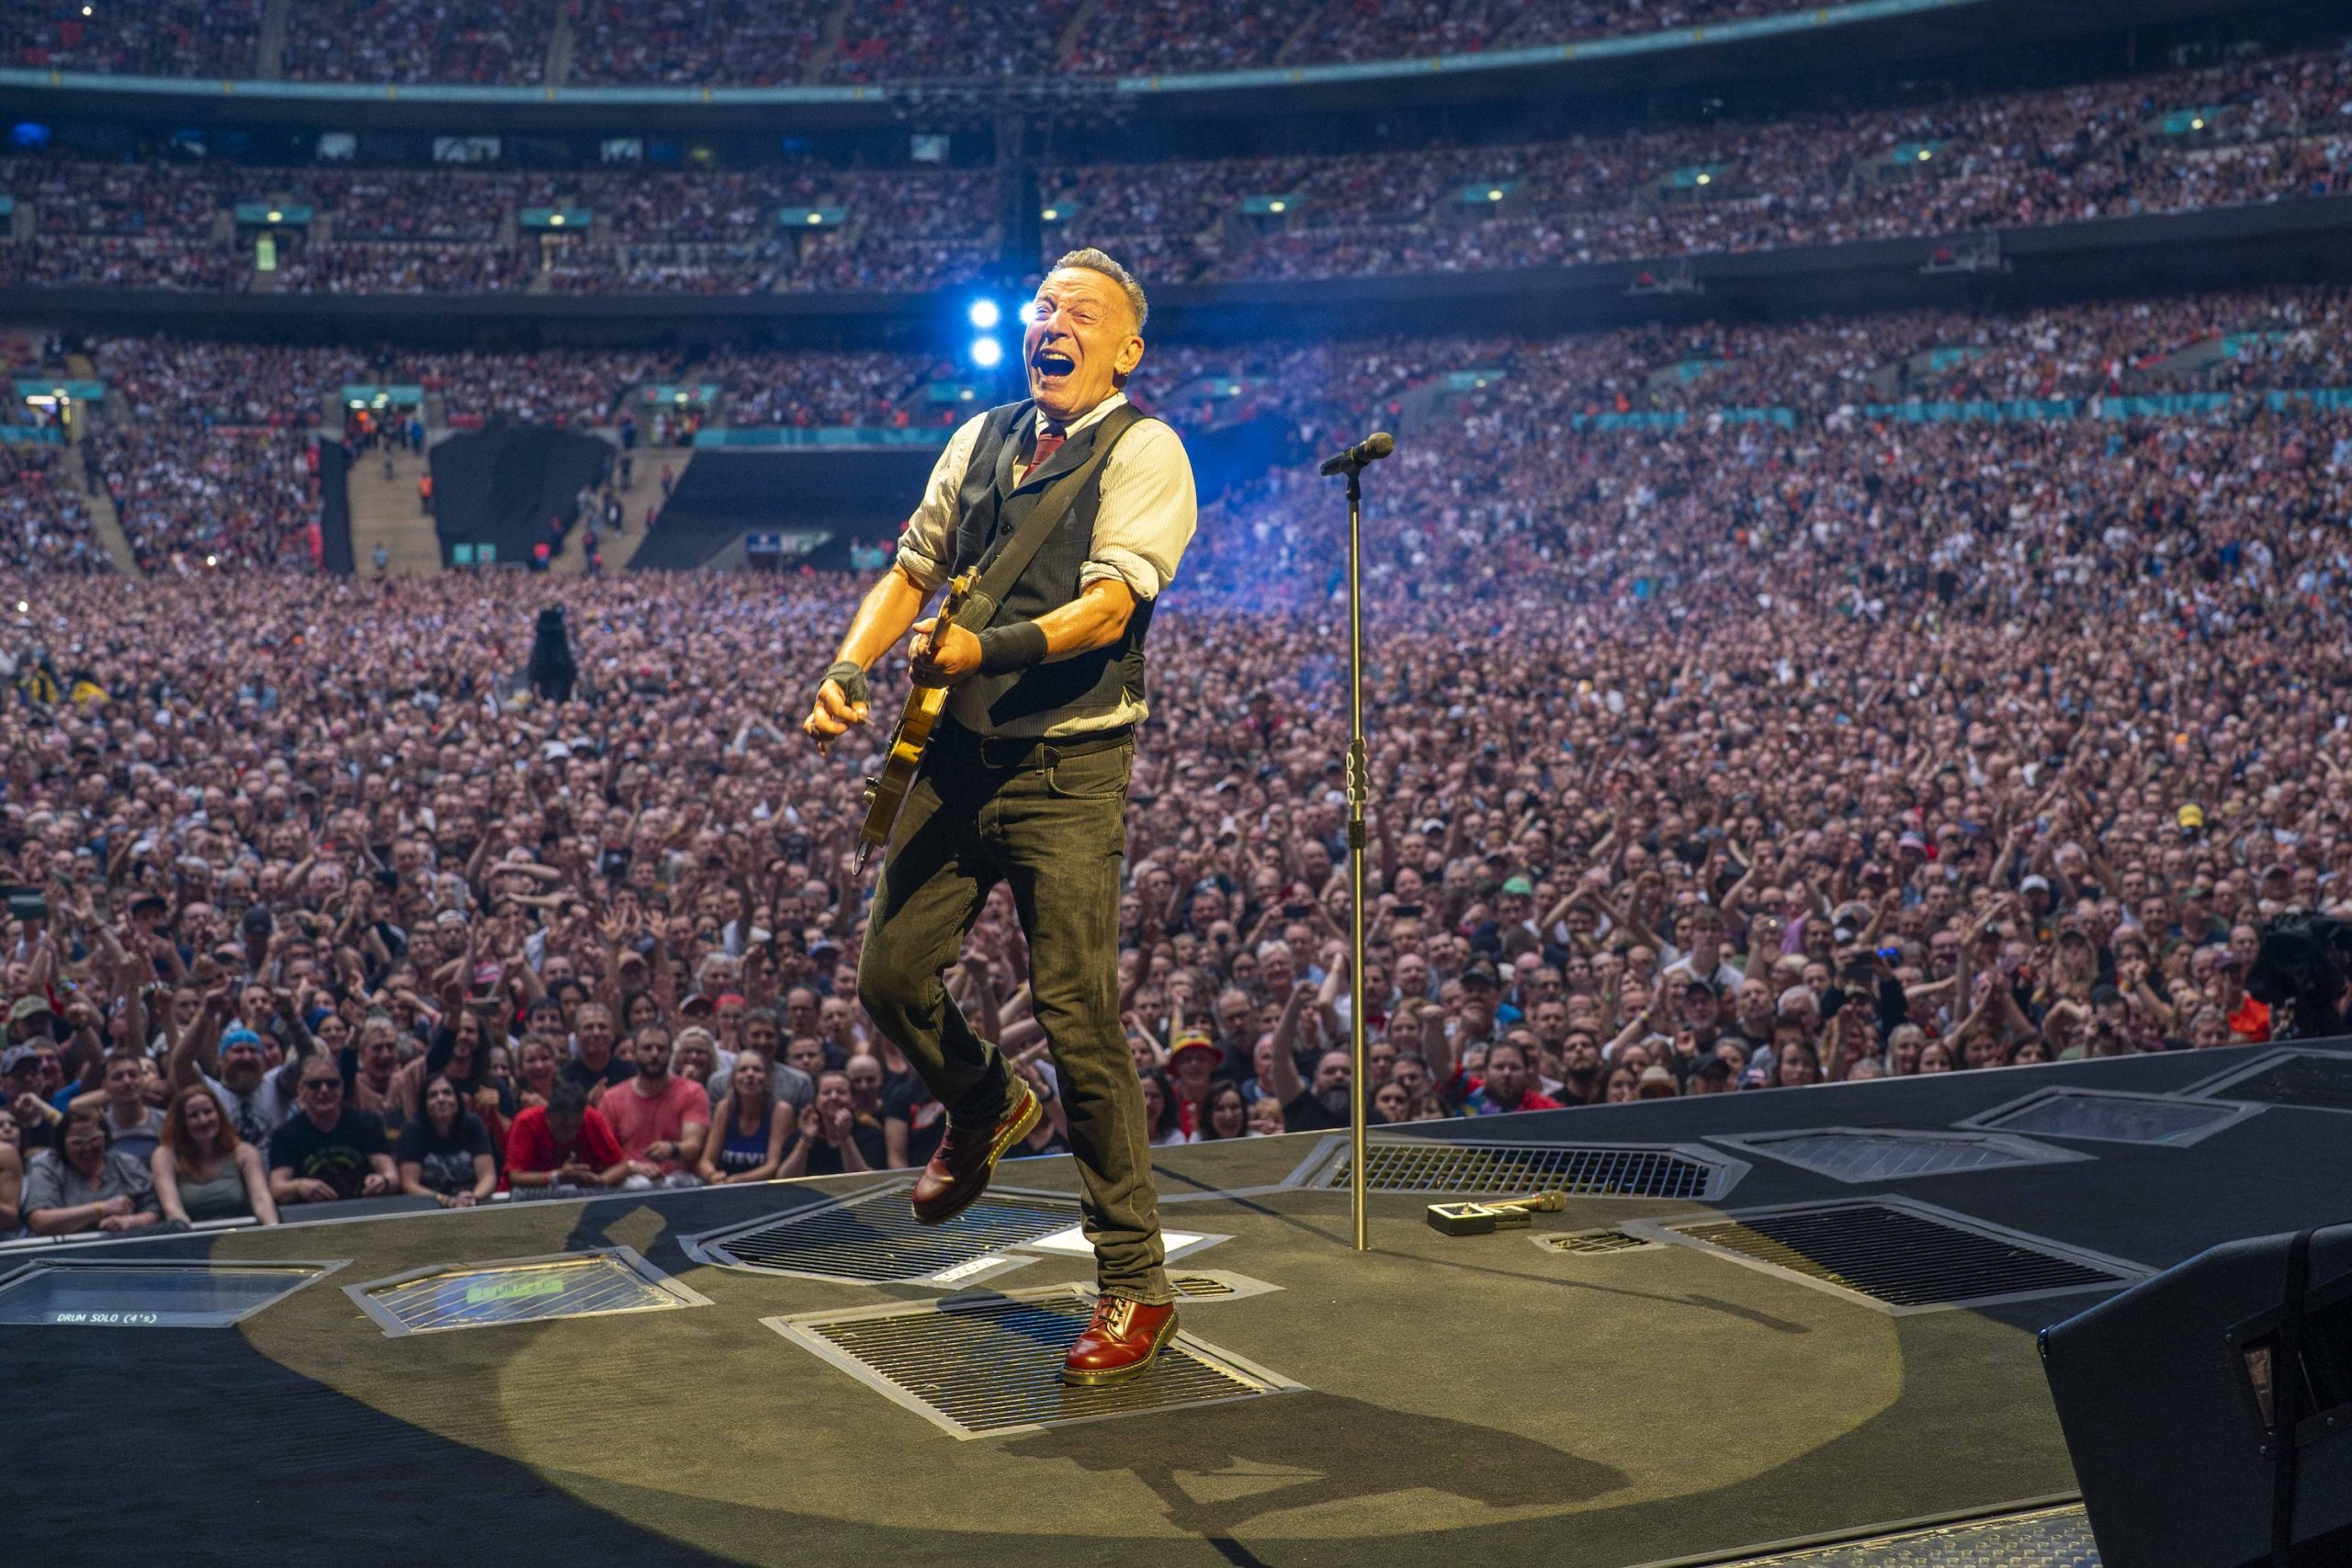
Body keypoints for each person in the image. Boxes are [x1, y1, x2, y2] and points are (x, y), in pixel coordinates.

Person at [807, 250, 1197, 1386]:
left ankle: (1135, 1284)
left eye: (1081, 313)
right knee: (889, 976)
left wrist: (990, 648)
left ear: (1125, 348)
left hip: (1068, 774)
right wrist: (848, 664)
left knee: (1079, 1019)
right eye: (1043, 307)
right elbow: (911, 568)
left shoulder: (1147, 451)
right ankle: (986, 1101)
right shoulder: (978, 438)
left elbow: (1109, 605)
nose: (1052, 324)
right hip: (952, 759)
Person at [267, 1055, 396, 1205]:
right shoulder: (285, 1134)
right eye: (315, 1085)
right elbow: (277, 1188)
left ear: (341, 1087)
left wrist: (382, 1181)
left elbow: (392, 1176)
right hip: (311, 1217)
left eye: (332, 1083)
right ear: (301, 1090)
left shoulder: (366, 1123)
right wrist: (299, 1186)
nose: (324, 1090)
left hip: (364, 1211)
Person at [595, 1023, 707, 1187]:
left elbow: (693, 1145)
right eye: (647, 1048)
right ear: (634, 1053)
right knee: (640, 1185)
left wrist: (672, 1149)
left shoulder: (692, 1092)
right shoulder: (611, 1098)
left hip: (678, 1181)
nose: (654, 1054)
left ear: (670, 1053)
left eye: (661, 1049)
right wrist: (634, 1167)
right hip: (630, 1181)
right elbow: (604, 1156)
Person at [24, 1106, 162, 1236]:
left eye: (94, 1139)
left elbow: (153, 1210)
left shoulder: (126, 1163)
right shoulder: (48, 1167)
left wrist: (129, 1222)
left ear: (105, 1137)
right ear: (63, 1143)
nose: (87, 1148)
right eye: (77, 1142)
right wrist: (100, 1209)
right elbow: (40, 1221)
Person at [153, 1083, 278, 1226]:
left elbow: (261, 1199)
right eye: (194, 1115)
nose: (203, 1120)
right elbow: (172, 1209)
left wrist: (273, 1230)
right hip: (191, 1241)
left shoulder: (244, 1152)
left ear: (219, 1114)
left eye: (208, 1112)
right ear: (182, 1122)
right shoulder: (165, 1156)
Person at [506, 1078, 629, 1196]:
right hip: (532, 1197)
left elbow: (622, 1166)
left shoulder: (592, 1118)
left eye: (574, 1127)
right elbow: (515, 1177)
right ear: (547, 1116)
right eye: (561, 1126)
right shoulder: (526, 1121)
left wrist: (600, 1180)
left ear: (582, 1117)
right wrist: (557, 1176)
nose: (566, 1134)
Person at [396, 1073, 498, 1208]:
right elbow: (409, 1184)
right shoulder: (412, 1130)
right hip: (429, 1209)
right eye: (433, 1095)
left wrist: (472, 1197)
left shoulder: (473, 1124)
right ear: (424, 1102)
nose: (441, 1099)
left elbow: (488, 1176)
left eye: (447, 1093)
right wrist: (446, 1201)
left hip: (471, 1205)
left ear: (457, 1099)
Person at [697, 1051, 789, 1184]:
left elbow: (773, 1166)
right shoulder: (725, 1108)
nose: (750, 1074)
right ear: (733, 1078)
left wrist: (736, 1180)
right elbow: (706, 1161)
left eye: (757, 1070)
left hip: (763, 1191)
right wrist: (713, 1175)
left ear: (768, 1077)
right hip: (724, 1188)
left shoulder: (780, 1111)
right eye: (743, 1070)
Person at [777, 1068, 883, 1178]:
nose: (833, 1097)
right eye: (826, 1093)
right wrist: (806, 1140)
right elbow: (784, 1179)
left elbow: (866, 1181)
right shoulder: (801, 1134)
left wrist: (845, 1137)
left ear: (853, 1100)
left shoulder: (871, 1134)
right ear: (816, 1100)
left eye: (841, 1092)